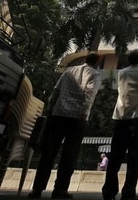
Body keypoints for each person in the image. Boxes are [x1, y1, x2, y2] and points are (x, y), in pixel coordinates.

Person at [28, 52, 102, 199]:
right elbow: (89, 94)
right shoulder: (95, 74)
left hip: (58, 114)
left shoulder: (69, 71)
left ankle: (37, 189)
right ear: (97, 62)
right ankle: (60, 189)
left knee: (48, 153)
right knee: (69, 154)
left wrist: (50, 110)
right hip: (76, 118)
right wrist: (84, 115)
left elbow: (55, 91)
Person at [102, 49, 138, 200]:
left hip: (120, 116)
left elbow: (120, 89)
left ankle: (109, 191)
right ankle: (128, 193)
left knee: (116, 155)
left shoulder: (122, 72)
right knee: (134, 156)